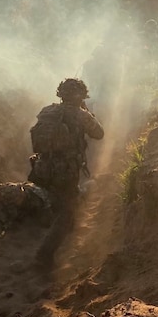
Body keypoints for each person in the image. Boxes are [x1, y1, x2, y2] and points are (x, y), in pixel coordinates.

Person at [28, 78, 104, 268]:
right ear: (81, 96)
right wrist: (86, 112)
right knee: (67, 213)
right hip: (66, 171)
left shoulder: (47, 111)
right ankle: (43, 256)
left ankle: (54, 225)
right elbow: (99, 133)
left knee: (59, 201)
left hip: (42, 167)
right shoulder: (81, 114)